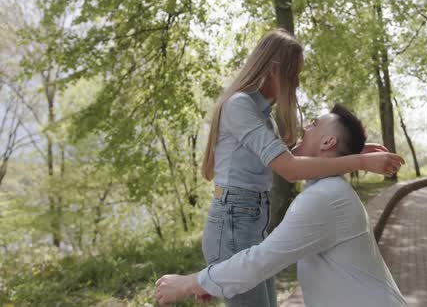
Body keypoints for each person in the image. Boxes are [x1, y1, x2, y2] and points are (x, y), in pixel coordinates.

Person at [191, 29, 404, 307]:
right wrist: (362, 162)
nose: (298, 82)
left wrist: (355, 149)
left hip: (250, 222)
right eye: (296, 73)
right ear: (276, 69)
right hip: (233, 222)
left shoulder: (261, 116)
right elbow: (289, 168)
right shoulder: (239, 105)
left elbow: (289, 157)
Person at [156, 104, 407, 307]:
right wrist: (212, 281)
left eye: (313, 124)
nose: (305, 128)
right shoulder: (329, 191)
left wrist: (189, 283)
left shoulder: (325, 197)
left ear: (328, 142)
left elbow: (262, 259)